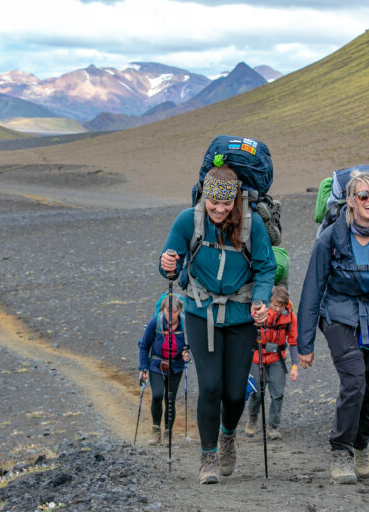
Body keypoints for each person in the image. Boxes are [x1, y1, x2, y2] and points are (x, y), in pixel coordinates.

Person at [297, 170, 369, 484]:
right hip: (339, 315)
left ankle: (361, 444)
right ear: (350, 200)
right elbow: (312, 291)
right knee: (354, 382)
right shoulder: (331, 238)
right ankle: (341, 452)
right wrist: (304, 344)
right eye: (363, 196)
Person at [160, 164, 276, 484]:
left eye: (227, 204)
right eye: (214, 202)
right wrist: (167, 263)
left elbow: (267, 268)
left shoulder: (252, 225)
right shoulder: (189, 220)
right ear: (204, 196)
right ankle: (208, 455)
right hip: (201, 311)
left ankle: (228, 436)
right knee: (211, 385)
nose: (220, 210)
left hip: (241, 315)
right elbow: (171, 263)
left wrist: (261, 299)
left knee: (236, 393)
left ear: (236, 200)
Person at [245, 285, 299, 440]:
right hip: (256, 357)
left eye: (280, 306)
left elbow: (294, 341)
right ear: (269, 301)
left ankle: (273, 427)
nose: (276, 309)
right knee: (257, 391)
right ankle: (253, 417)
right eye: (274, 305)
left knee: (278, 393)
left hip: (277, 358)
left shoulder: (290, 317)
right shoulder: (258, 313)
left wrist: (295, 365)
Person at [138, 294, 191, 446]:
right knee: (157, 395)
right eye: (168, 312)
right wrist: (143, 367)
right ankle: (156, 430)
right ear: (163, 310)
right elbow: (144, 345)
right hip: (156, 364)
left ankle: (168, 433)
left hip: (176, 366)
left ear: (179, 311)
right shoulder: (155, 322)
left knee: (170, 399)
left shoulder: (185, 325)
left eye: (174, 312)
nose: (171, 316)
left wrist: (188, 354)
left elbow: (192, 345)